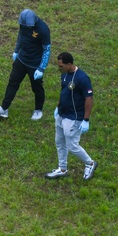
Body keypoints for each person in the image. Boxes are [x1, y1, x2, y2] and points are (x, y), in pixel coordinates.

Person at [0, 9, 51, 120]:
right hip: (21, 60)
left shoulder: (43, 29)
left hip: (34, 64)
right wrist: (16, 50)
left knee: (37, 88)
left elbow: (47, 50)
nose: (27, 28)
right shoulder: (24, 25)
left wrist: (41, 68)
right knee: (12, 83)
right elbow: (20, 37)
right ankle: (4, 108)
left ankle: (38, 110)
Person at [44, 52, 96, 180]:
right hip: (62, 114)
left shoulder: (82, 78)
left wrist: (86, 119)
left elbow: (88, 99)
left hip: (74, 117)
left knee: (72, 145)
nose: (59, 68)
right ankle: (62, 169)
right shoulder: (65, 75)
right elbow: (64, 93)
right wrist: (58, 107)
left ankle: (90, 163)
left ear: (69, 64)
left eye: (61, 66)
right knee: (59, 142)